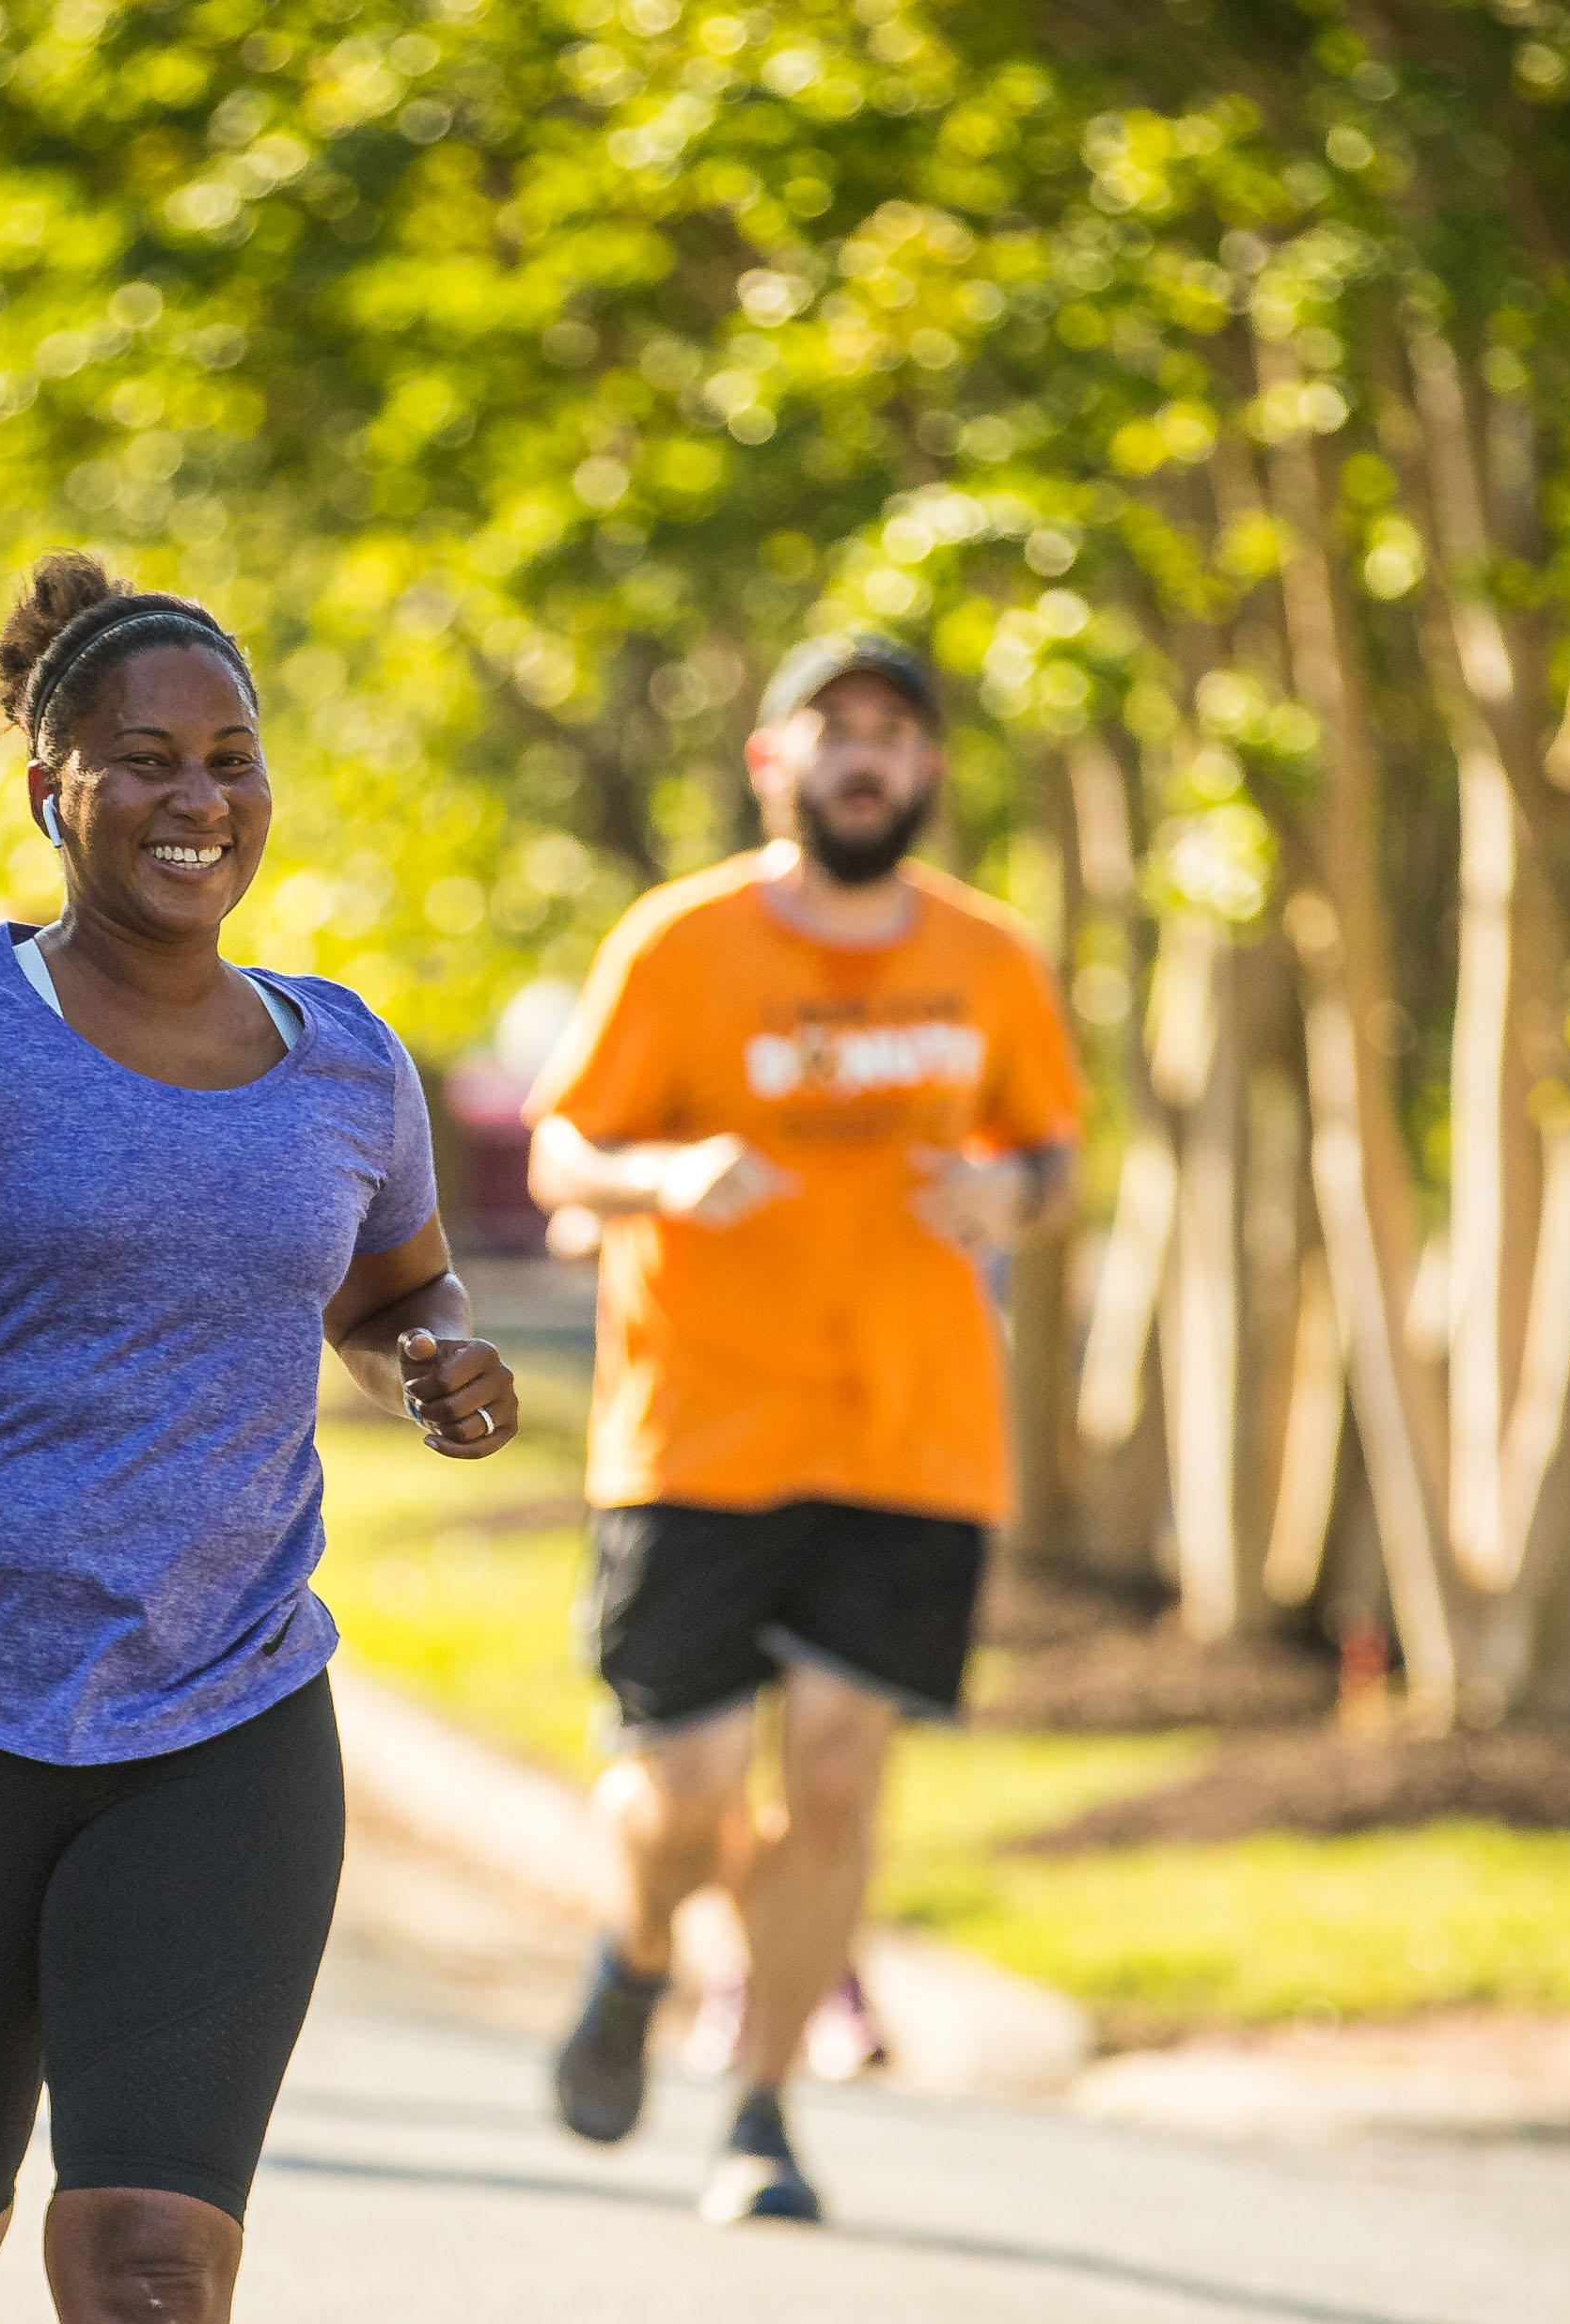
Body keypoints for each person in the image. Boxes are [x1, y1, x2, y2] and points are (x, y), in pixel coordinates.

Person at [0, 553, 521, 2324]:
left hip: (221, 1718)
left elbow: (392, 1296)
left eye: (231, 757)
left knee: (149, 2262)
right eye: (145, 759)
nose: (197, 797)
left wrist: (436, 1360)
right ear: (53, 788)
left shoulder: (349, 1060)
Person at [527, 629, 1082, 2224]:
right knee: (687, 1789)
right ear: (773, 762)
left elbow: (1052, 1161)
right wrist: (662, 1175)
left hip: (912, 1434)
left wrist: (1010, 1191)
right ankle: (639, 1955)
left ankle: (761, 2110)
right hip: (697, 1426)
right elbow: (565, 1150)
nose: (863, 755)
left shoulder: (989, 959)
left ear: (926, 773)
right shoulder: (681, 942)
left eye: (893, 733)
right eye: (831, 729)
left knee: (837, 1776)